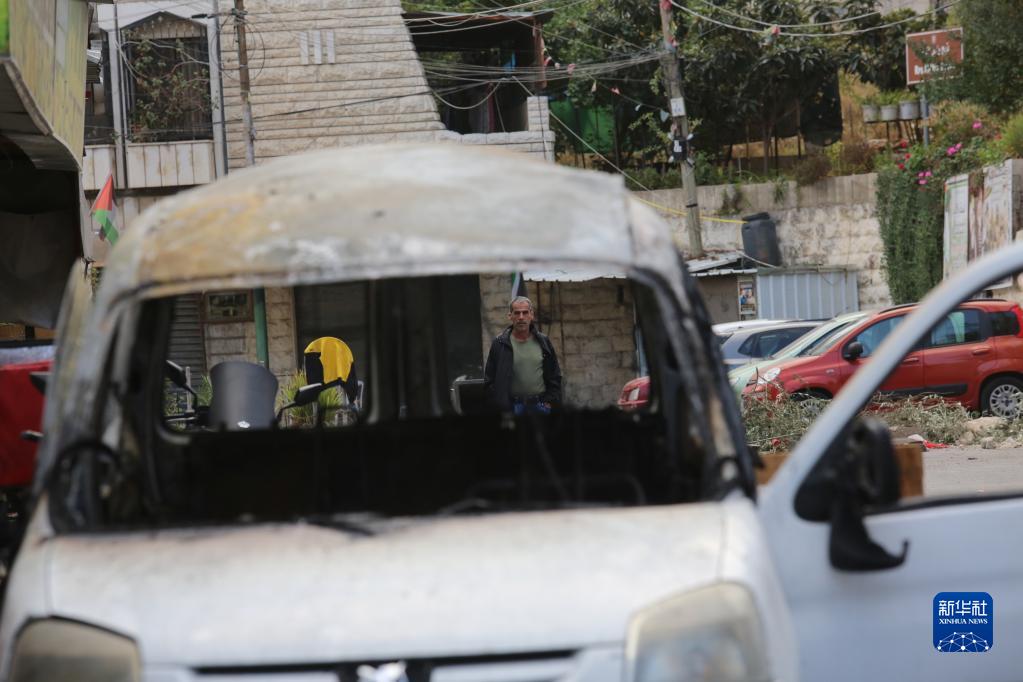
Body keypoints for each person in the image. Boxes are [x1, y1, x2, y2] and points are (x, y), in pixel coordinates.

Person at [483, 296, 562, 414]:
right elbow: (490, 380)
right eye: (517, 313)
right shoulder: (500, 344)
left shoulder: (543, 341)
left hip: (540, 406)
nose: (521, 317)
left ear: (531, 315)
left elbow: (554, 375)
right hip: (512, 408)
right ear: (510, 316)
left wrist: (549, 401)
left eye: (525, 312)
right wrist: (500, 404)